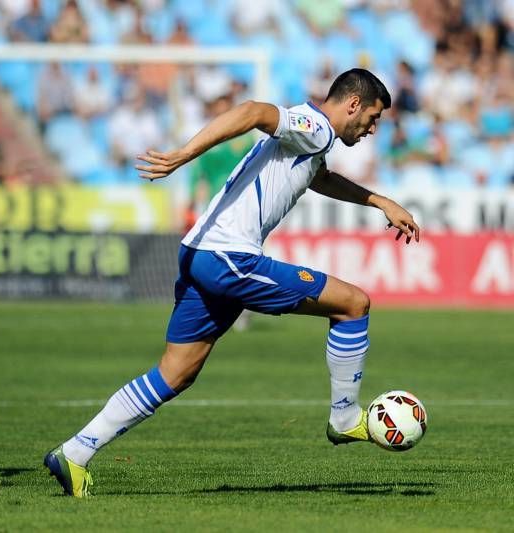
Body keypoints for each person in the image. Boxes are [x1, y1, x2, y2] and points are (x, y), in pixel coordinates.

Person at [44, 68, 420, 497]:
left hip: (198, 252)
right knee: (353, 303)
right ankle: (344, 417)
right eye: (372, 118)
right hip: (228, 257)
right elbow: (253, 111)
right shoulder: (314, 126)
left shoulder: (313, 139)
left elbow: (319, 177)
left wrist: (378, 200)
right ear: (353, 104)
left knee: (176, 373)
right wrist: (184, 155)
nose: (372, 129)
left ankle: (74, 452)